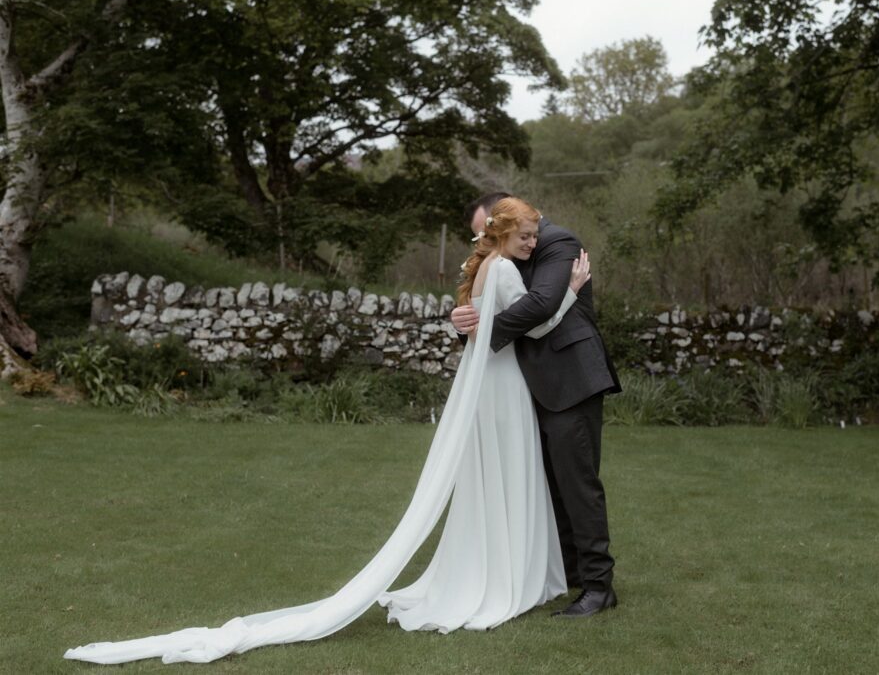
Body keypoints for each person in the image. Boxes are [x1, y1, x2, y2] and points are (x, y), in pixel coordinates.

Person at [64, 197, 592, 665]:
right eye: (527, 236)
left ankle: (501, 571)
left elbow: (480, 325)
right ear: (503, 233)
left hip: (489, 384)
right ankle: (508, 579)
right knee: (510, 471)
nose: (533, 243)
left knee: (494, 477)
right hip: (504, 387)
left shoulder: (484, 268)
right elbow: (536, 324)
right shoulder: (505, 270)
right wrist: (570, 289)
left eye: (534, 236)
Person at [451, 193, 621, 618]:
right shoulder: (503, 257)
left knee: (578, 484)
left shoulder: (558, 243)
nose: (485, 238)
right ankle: (571, 571)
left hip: (571, 379)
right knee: (551, 484)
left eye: (489, 229)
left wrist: (484, 331)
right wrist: (464, 321)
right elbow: (494, 301)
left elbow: (542, 304)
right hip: (531, 384)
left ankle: (599, 586)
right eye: (482, 232)